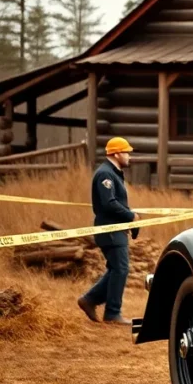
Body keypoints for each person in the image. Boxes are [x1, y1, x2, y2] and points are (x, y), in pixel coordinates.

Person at [77, 137, 139, 325]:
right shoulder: (105, 174)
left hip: (116, 231)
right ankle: (112, 313)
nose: (129, 156)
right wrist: (131, 216)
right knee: (120, 268)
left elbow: (116, 203)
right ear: (117, 153)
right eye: (126, 152)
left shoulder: (114, 173)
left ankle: (89, 300)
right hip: (110, 231)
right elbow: (109, 203)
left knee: (116, 269)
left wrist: (131, 221)